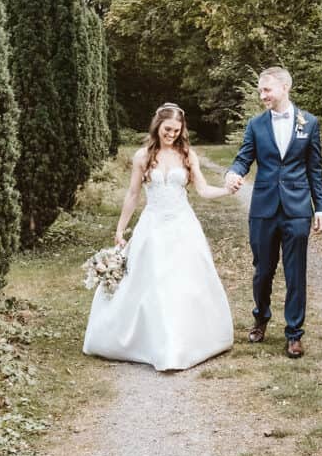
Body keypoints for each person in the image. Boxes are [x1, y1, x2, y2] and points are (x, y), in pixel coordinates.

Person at [83, 103, 235, 372]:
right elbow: (133, 194)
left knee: (182, 282)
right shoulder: (143, 156)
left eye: (176, 130)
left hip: (182, 225)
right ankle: (150, 343)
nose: (172, 135)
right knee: (152, 283)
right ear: (157, 126)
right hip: (152, 226)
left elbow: (202, 190)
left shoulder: (187, 154)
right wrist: (120, 229)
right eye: (167, 129)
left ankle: (181, 344)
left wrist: (226, 190)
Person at [225, 67, 322, 358]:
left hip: (297, 209)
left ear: (285, 87)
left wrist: (320, 207)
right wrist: (233, 173)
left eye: (266, 89)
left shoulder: (309, 123)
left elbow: (314, 169)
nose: (262, 95)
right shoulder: (256, 125)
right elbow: (244, 158)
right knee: (263, 270)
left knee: (296, 273)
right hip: (264, 208)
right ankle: (261, 318)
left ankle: (294, 334)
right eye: (260, 90)